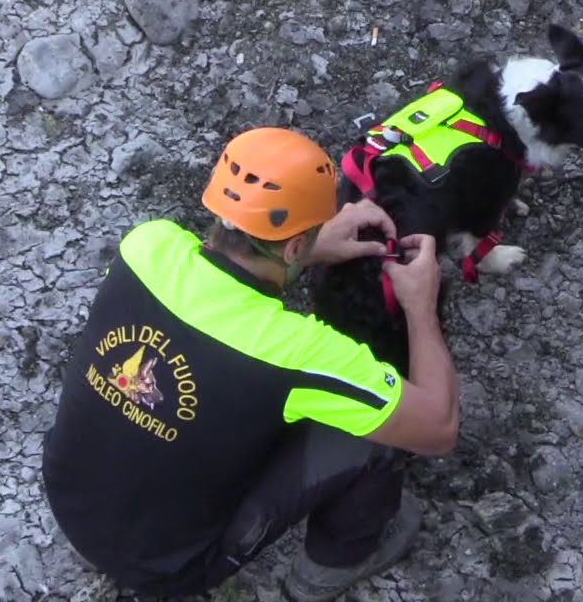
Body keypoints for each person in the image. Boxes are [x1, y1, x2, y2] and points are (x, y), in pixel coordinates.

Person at [39, 126, 462, 601]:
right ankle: (328, 570)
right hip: (167, 566)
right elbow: (438, 427)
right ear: (293, 247)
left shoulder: (147, 246)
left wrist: (311, 247)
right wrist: (420, 306)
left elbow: (216, 282)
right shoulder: (297, 351)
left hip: (68, 499)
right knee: (372, 435)